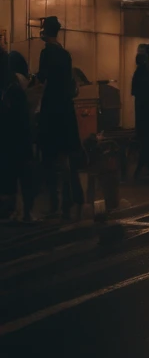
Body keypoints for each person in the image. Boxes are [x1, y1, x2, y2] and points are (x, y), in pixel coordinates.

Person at [37, 16, 84, 220]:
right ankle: (71, 200)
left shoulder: (46, 53)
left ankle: (55, 204)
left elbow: (41, 79)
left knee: (49, 158)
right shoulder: (65, 55)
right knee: (66, 158)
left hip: (51, 110)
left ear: (45, 32)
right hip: (66, 111)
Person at [1, 52, 36, 222]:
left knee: (13, 174)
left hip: (11, 138)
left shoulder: (10, 89)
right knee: (23, 173)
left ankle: (17, 210)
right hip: (20, 138)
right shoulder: (16, 88)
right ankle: (24, 211)